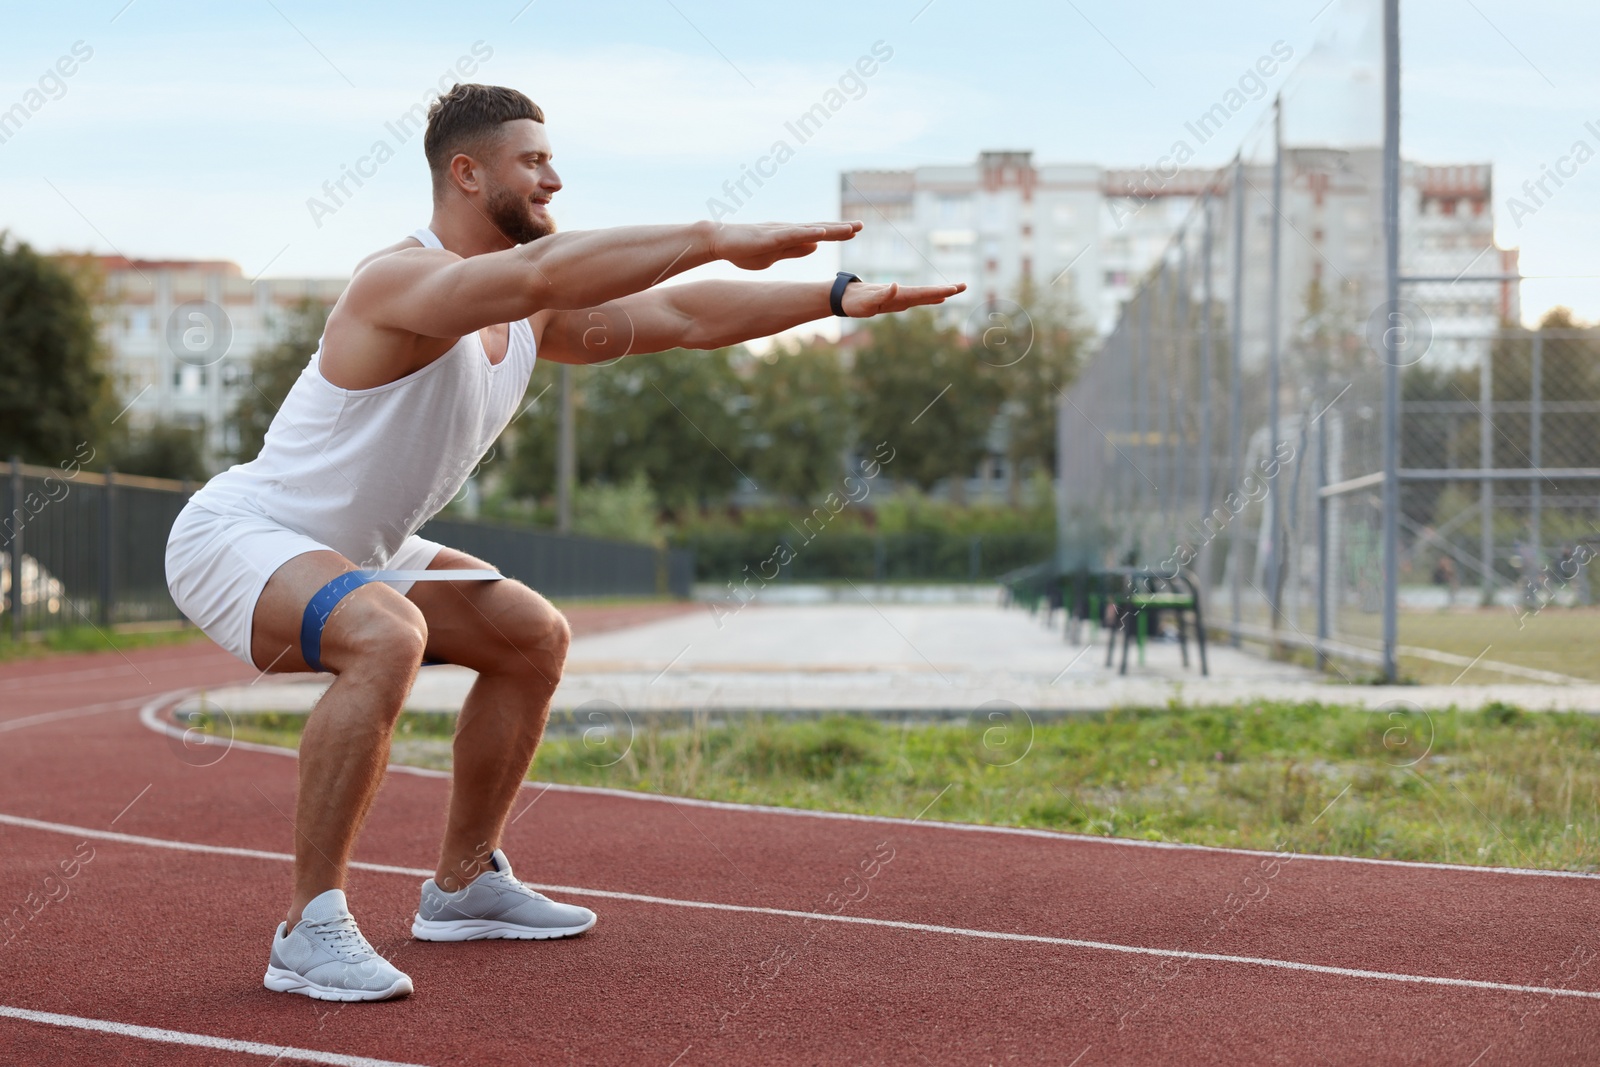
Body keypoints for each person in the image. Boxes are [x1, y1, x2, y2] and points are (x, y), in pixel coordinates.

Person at [164, 83, 964, 1002]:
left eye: (552, 159)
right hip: (242, 535)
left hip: (357, 551)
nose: (554, 177)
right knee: (386, 635)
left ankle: (463, 886)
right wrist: (709, 234)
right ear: (466, 173)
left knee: (530, 636)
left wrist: (831, 295)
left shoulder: (530, 316)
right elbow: (544, 273)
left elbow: (687, 320)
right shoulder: (396, 281)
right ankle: (308, 928)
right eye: (533, 160)